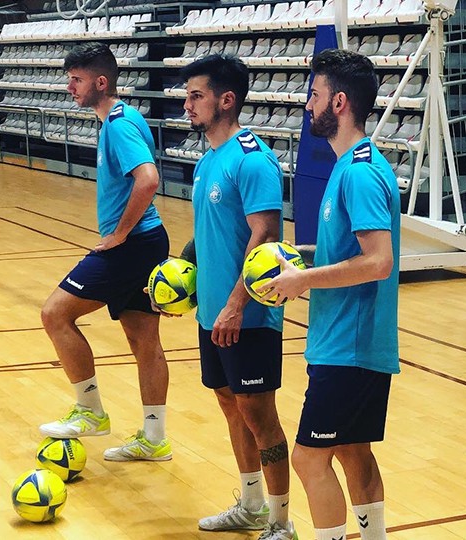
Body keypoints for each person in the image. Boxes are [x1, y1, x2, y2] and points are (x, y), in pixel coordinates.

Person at [259, 48, 400, 540]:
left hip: (350, 347)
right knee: (352, 451)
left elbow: (378, 261)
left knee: (308, 459)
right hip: (344, 343)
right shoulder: (351, 166)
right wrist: (299, 258)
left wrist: (304, 280)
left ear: (338, 102)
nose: (306, 106)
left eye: (313, 96)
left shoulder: (358, 173)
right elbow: (352, 249)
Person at [180, 54, 297, 540]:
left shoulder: (253, 159)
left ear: (226, 100)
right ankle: (250, 507)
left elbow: (265, 237)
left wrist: (235, 304)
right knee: (231, 405)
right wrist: (179, 272)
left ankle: (281, 521)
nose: (187, 105)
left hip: (245, 318)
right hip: (212, 313)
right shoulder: (209, 159)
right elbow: (211, 235)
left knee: (260, 415)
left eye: (196, 96)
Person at [39, 42, 172, 462]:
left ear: (101, 82)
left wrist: (118, 234)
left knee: (55, 313)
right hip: (146, 243)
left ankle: (90, 411)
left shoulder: (117, 123)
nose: (68, 87)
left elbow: (148, 179)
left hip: (132, 246)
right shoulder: (121, 117)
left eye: (76, 79)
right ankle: (155, 438)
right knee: (143, 339)